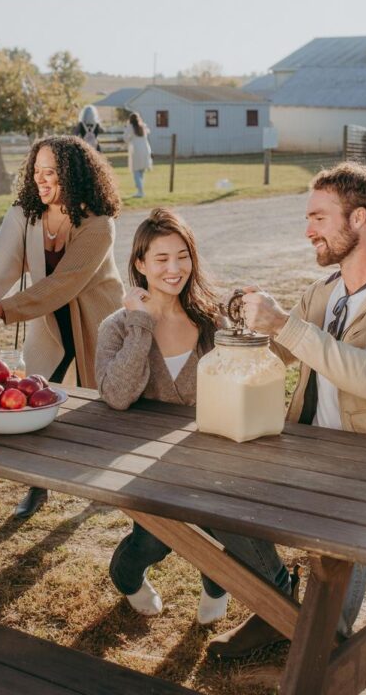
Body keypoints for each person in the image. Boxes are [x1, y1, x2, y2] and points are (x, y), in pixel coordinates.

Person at [207, 161, 366, 659]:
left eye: (318, 217)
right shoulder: (322, 293)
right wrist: (235, 327)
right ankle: (277, 603)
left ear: (359, 219)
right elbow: (274, 355)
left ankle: (318, 641)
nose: (307, 230)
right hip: (309, 445)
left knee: (340, 538)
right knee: (209, 492)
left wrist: (282, 324)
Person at [98, 208, 282, 625]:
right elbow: (118, 396)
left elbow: (249, 379)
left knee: (218, 529)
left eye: (183, 256)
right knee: (154, 542)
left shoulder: (213, 322)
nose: (174, 268)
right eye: (161, 259)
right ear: (140, 264)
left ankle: (216, 585)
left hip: (211, 460)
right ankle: (126, 577)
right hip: (146, 466)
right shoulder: (117, 327)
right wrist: (141, 324)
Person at [0, 135, 124, 519]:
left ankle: (104, 483)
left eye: (52, 173)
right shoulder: (25, 214)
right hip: (47, 322)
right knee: (35, 400)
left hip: (96, 323)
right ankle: (38, 486)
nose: (41, 181)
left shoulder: (99, 223)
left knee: (100, 410)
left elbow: (63, 284)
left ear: (74, 175)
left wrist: (2, 310)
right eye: (36, 172)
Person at [123, 112, 153, 198]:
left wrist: (129, 137)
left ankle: (140, 191)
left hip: (136, 151)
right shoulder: (143, 126)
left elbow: (125, 138)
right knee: (141, 171)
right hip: (146, 150)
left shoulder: (130, 127)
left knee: (136, 171)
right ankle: (140, 190)